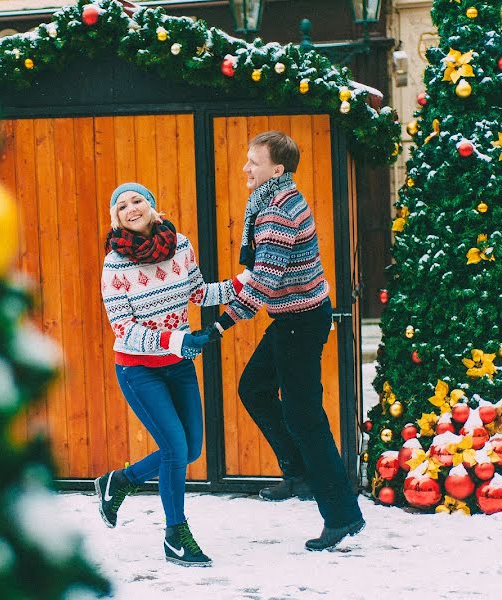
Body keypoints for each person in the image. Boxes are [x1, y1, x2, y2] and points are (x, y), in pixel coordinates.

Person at [197, 131, 365, 551]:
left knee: (305, 415)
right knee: (254, 388)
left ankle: (341, 515)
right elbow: (258, 278)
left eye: (253, 162)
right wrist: (208, 291)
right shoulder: (271, 201)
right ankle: (298, 473)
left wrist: (217, 327)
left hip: (300, 320)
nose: (245, 168)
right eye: (247, 160)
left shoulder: (277, 214)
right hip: (294, 317)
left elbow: (262, 288)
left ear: (277, 169)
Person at [94, 182, 250, 567]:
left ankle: (122, 481)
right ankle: (175, 536)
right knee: (176, 449)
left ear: (153, 206)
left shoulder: (179, 244)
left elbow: (198, 293)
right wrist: (175, 339)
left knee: (189, 448)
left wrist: (244, 282)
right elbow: (123, 328)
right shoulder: (115, 264)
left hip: (177, 366)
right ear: (116, 219)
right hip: (138, 369)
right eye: (122, 206)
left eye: (137, 200)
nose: (131, 208)